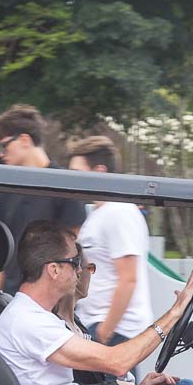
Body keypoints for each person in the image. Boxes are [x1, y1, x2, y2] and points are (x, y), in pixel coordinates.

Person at [0, 221, 193, 385]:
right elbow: (118, 362)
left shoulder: (34, 316)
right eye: (74, 263)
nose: (80, 271)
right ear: (54, 270)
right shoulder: (29, 321)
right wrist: (175, 313)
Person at [54, 243, 193, 385]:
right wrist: (175, 312)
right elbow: (87, 383)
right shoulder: (56, 330)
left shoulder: (77, 324)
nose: (87, 274)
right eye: (90, 268)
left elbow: (87, 383)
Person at [0, 104, 86, 293]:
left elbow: (71, 250)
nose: (0, 153)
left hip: (52, 300)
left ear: (24, 140)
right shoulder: (5, 190)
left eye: (4, 146)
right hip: (11, 297)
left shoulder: (65, 185)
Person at [67, 136, 153, 346]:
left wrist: (105, 331)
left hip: (116, 331)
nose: (71, 179)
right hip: (95, 325)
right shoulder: (99, 213)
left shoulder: (119, 212)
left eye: (77, 172)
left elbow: (128, 279)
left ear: (99, 172)